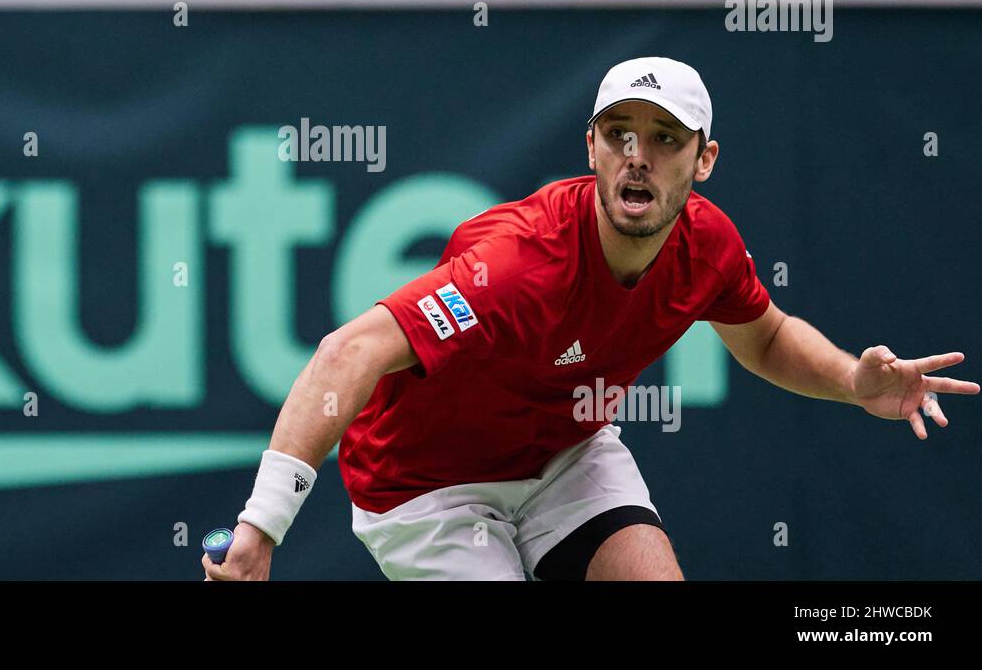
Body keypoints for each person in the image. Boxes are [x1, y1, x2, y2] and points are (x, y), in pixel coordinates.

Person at [203, 56, 978, 581]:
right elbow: (348, 352)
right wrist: (262, 527)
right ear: (593, 148)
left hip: (566, 458)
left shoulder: (707, 242)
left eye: (665, 139)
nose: (638, 156)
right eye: (619, 135)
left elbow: (766, 336)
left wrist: (852, 381)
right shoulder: (518, 263)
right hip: (426, 488)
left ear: (703, 160)